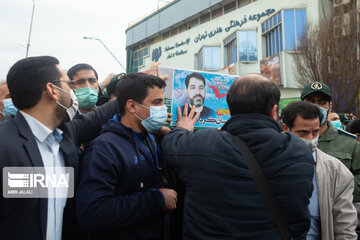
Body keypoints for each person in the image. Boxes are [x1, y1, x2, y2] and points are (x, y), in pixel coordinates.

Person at [162, 73, 314, 239]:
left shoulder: (202, 145)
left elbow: (170, 145)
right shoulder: (297, 150)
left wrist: (182, 128)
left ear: (230, 109)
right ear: (274, 111)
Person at [0, 56, 119, 240]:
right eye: (70, 85)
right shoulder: (5, 146)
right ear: (52, 91)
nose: (73, 92)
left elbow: (98, 117)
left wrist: (132, 87)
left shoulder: (65, 133)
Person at [76, 72, 177, 239]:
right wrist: (156, 200)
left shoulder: (149, 137)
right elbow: (92, 213)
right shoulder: (104, 149)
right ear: (131, 106)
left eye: (162, 102)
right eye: (156, 103)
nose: (163, 109)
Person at [281, 101, 357, 240]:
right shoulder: (270, 164)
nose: (310, 139)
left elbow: (345, 228)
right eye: (303, 132)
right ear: (286, 129)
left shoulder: (336, 170)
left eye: (315, 132)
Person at [301, 82, 360, 217]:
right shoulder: (289, 141)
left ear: (330, 107)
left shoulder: (350, 144)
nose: (316, 106)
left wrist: (331, 191)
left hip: (337, 217)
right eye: (310, 101)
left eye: (322, 102)